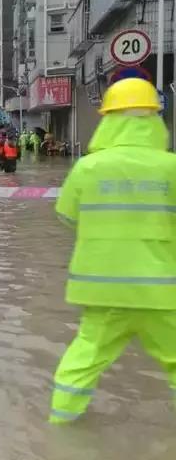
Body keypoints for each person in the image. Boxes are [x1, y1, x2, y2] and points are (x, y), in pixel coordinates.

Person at [48, 78, 176, 424]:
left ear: (107, 120)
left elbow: (66, 216)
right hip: (162, 290)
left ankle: (61, 426)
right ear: (154, 120)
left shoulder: (88, 167)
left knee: (84, 358)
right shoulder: (172, 168)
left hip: (103, 290)